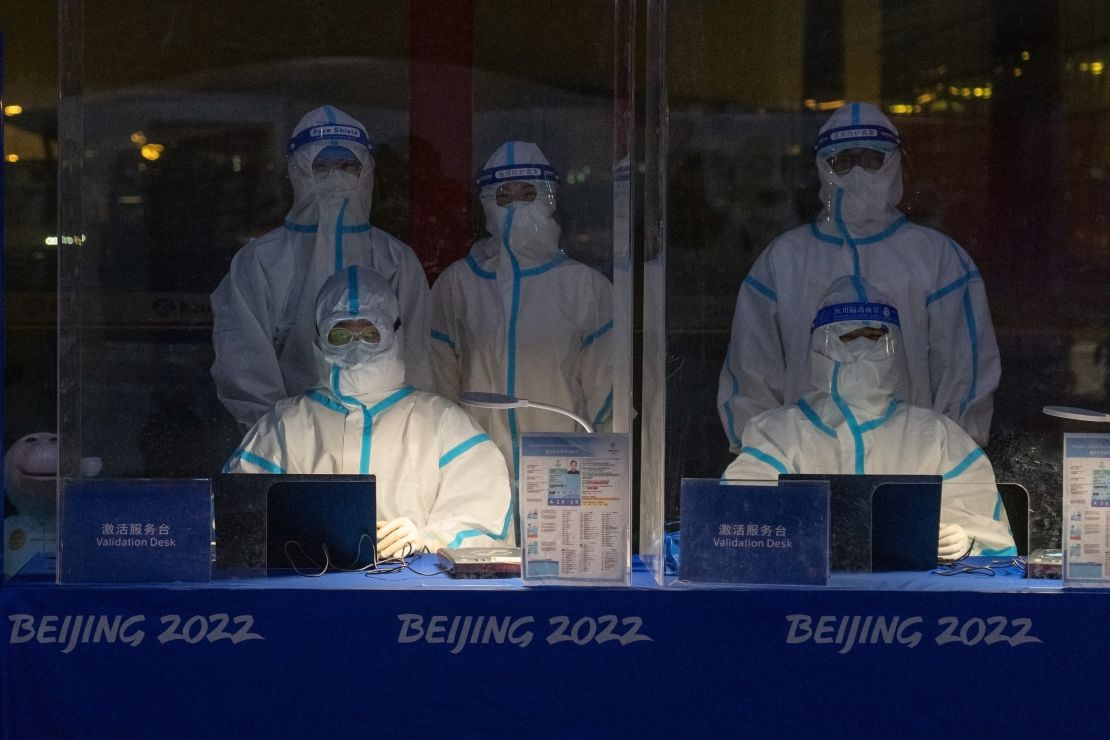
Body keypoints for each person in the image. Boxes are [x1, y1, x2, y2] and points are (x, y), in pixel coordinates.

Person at [717, 102, 999, 454]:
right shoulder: (785, 261)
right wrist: (763, 459)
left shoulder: (938, 260)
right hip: (806, 466)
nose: (857, 173)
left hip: (911, 464)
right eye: (843, 161)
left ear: (894, 163)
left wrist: (952, 461)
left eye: (871, 159)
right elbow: (752, 372)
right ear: (822, 167)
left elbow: (964, 373)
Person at [224, 266, 512, 557]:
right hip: (312, 593)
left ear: (394, 331)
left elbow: (487, 517)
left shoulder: (444, 425)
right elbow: (237, 518)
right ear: (319, 336)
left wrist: (433, 538)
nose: (356, 346)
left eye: (370, 332)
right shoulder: (285, 426)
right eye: (340, 334)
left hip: (414, 596)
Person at [723, 277, 1016, 558]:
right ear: (819, 347)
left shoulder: (937, 436)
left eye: (875, 337)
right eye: (848, 338)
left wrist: (967, 539)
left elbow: (989, 529)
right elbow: (737, 511)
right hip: (809, 595)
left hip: (911, 602)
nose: (862, 350)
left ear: (896, 345)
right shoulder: (778, 434)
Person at [211, 105, 432, 430]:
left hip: (385, 436)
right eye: (322, 166)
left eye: (347, 166)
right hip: (291, 441)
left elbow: (417, 355)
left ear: (366, 172)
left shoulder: (396, 258)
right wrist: (278, 436)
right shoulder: (261, 260)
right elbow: (244, 359)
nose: (335, 176)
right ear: (298, 172)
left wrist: (405, 433)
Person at [427, 141, 613, 481]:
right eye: (503, 195)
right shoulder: (458, 284)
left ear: (549, 197)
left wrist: (606, 474)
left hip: (564, 465)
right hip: (473, 464)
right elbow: (438, 387)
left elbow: (607, 398)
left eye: (528, 194)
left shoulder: (585, 287)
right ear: (486, 202)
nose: (515, 206)